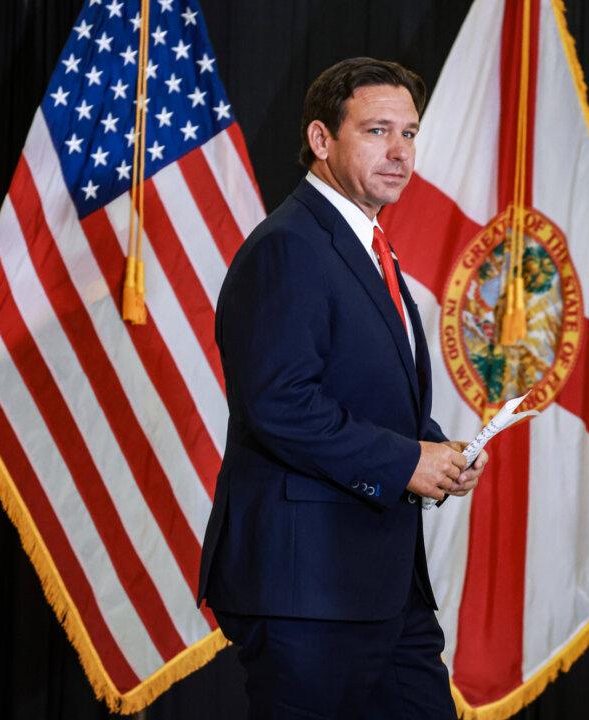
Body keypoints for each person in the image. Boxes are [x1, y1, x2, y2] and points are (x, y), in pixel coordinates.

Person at [197, 57, 489, 719]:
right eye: (377, 131)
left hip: (383, 588)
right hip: (308, 590)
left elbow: (361, 396)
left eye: (410, 134)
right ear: (322, 140)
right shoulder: (290, 247)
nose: (399, 152)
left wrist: (436, 452)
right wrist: (405, 462)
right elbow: (280, 403)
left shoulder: (365, 246)